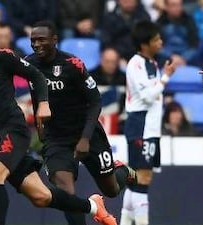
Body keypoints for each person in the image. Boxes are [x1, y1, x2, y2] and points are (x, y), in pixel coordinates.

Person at [0, 12, 116, 225]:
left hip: (12, 130)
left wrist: (42, 104)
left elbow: (37, 76)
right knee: (41, 197)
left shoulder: (0, 57)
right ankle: (94, 206)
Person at [26, 20, 137, 225]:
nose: (36, 44)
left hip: (87, 132)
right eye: (33, 41)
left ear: (54, 40)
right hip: (56, 138)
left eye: (41, 40)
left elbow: (95, 101)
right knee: (65, 192)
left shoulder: (72, 65)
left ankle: (121, 170)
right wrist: (40, 125)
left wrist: (85, 138)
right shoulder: (29, 64)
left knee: (111, 189)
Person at [121, 20, 176, 225]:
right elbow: (147, 96)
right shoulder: (135, 64)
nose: (161, 42)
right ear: (145, 44)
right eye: (156, 39)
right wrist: (166, 78)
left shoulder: (151, 63)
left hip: (149, 129)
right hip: (140, 126)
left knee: (136, 182)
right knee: (143, 179)